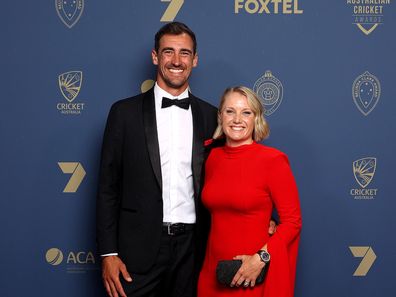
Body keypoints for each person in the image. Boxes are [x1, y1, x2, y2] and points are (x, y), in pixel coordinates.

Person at [96, 22, 218, 297]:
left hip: (193, 250)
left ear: (195, 60)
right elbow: (107, 188)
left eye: (185, 53)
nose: (177, 61)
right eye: (168, 52)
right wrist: (108, 253)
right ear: (155, 56)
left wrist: (264, 220)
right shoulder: (123, 113)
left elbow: (231, 173)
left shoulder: (212, 116)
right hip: (135, 253)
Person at [197, 86, 302, 297]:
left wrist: (260, 259)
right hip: (212, 275)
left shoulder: (273, 161)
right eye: (230, 111)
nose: (237, 119)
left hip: (251, 275)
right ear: (220, 116)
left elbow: (293, 222)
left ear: (256, 118)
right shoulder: (213, 158)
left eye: (246, 112)